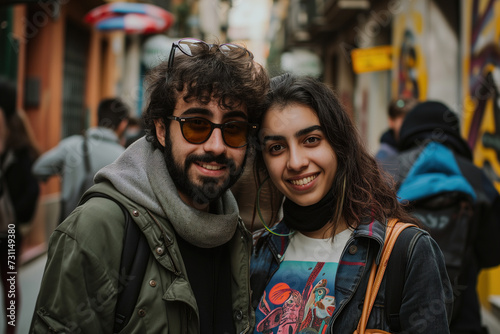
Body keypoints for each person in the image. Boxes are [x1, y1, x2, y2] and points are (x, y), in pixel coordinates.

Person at [30, 38, 269, 333]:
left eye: (233, 129)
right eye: (196, 124)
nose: (216, 146)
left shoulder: (237, 237)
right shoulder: (98, 229)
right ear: (162, 129)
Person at [250, 74, 453, 333]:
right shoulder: (256, 252)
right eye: (277, 147)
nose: (296, 162)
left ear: (339, 144)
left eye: (311, 140)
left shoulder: (408, 252)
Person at [382, 101, 500, 334]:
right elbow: (492, 253)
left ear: (407, 131)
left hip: (393, 318)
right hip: (462, 316)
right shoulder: (477, 178)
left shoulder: (385, 172)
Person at [32, 98, 130, 222]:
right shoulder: (124, 156)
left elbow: (39, 169)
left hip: (69, 224)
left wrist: (67, 171)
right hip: (105, 228)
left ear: (98, 118)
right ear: (123, 124)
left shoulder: (72, 145)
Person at [0, 77, 40, 334]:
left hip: (10, 231)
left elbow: (32, 191)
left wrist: (17, 217)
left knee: (10, 283)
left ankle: (11, 329)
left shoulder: (21, 155)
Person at [375, 97, 417, 163]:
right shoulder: (384, 155)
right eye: (404, 121)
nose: (409, 125)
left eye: (412, 121)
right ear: (391, 122)